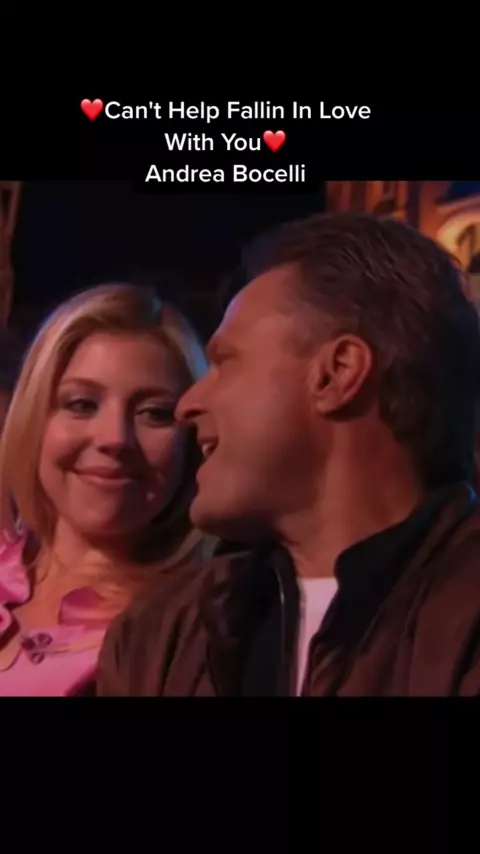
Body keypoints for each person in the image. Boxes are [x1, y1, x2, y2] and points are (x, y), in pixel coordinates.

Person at [96, 213, 480, 696]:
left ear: (337, 373)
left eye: (225, 363)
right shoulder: (159, 636)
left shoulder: (465, 618)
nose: (188, 405)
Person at [0, 282, 210, 695]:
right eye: (81, 404)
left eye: (154, 413)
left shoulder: (192, 634)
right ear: (34, 418)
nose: (115, 438)